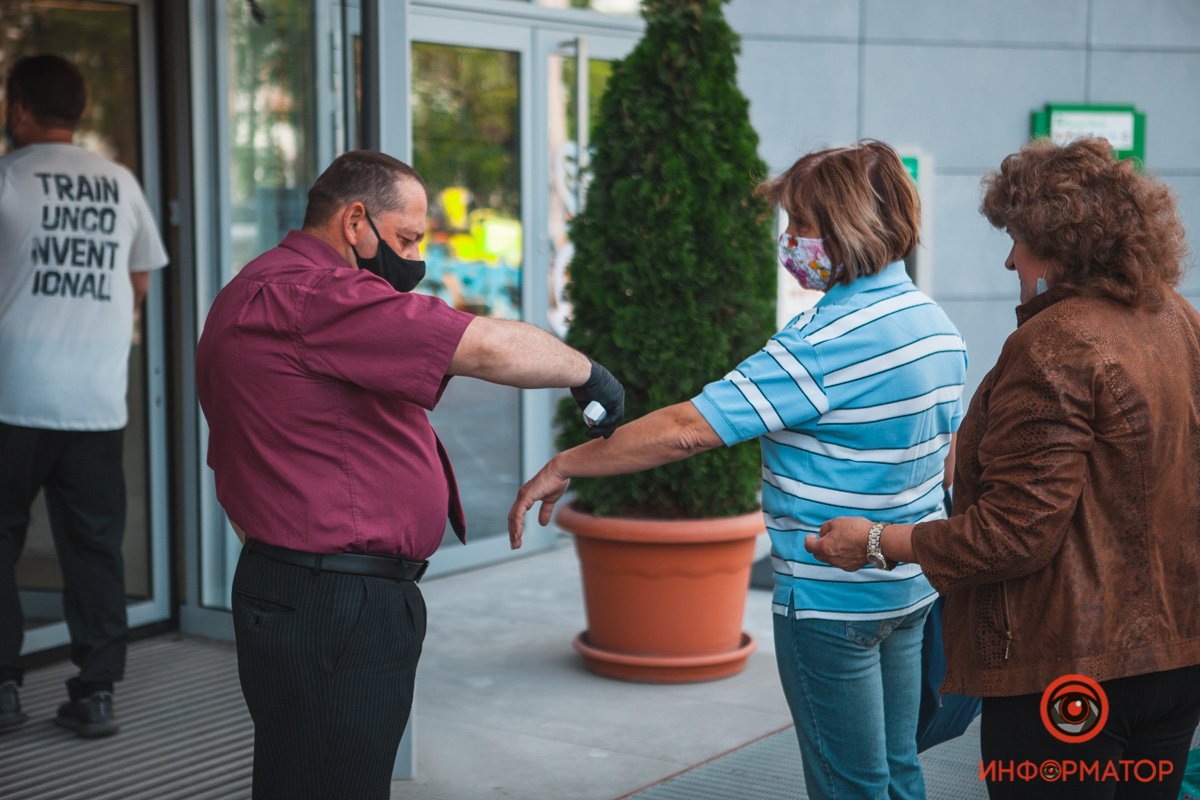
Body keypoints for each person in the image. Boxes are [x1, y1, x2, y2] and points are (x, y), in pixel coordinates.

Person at [510, 140, 967, 800]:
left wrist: (567, 462)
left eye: (801, 225)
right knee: (898, 772)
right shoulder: (935, 325)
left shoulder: (822, 343)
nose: (789, 240)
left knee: (852, 786)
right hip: (909, 589)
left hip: (828, 602)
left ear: (845, 228)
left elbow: (688, 430)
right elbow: (945, 452)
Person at [195, 149, 623, 800]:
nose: (415, 261)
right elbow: (481, 344)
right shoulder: (319, 293)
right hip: (334, 602)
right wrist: (588, 374)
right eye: (405, 240)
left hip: (295, 585)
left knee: (307, 776)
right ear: (354, 221)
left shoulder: (249, 289)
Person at [809, 137, 1200, 800]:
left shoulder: (1053, 343)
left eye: (1018, 237)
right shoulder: (1178, 319)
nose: (1009, 256)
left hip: (1067, 673)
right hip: (1175, 658)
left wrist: (875, 542)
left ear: (1061, 245)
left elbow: (1014, 535)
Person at [0, 54, 168, 738]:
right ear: (79, 112)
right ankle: (96, 694)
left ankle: (5, 693)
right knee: (95, 550)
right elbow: (140, 284)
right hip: (97, 401)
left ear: (17, 111)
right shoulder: (119, 182)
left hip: (12, 398)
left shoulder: (9, 180)